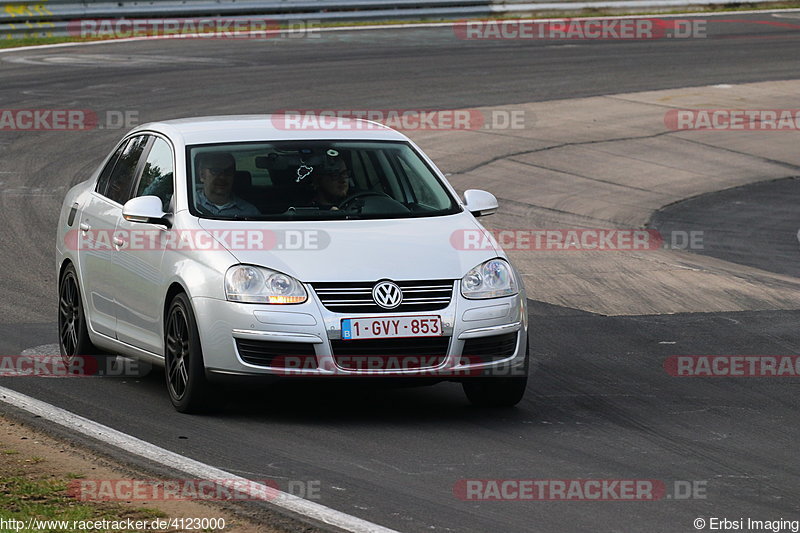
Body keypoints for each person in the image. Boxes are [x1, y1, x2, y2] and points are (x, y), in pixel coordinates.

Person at [195, 152, 260, 217]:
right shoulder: (188, 204)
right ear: (202, 175)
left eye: (228, 171)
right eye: (216, 171)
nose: (222, 177)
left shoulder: (250, 212)